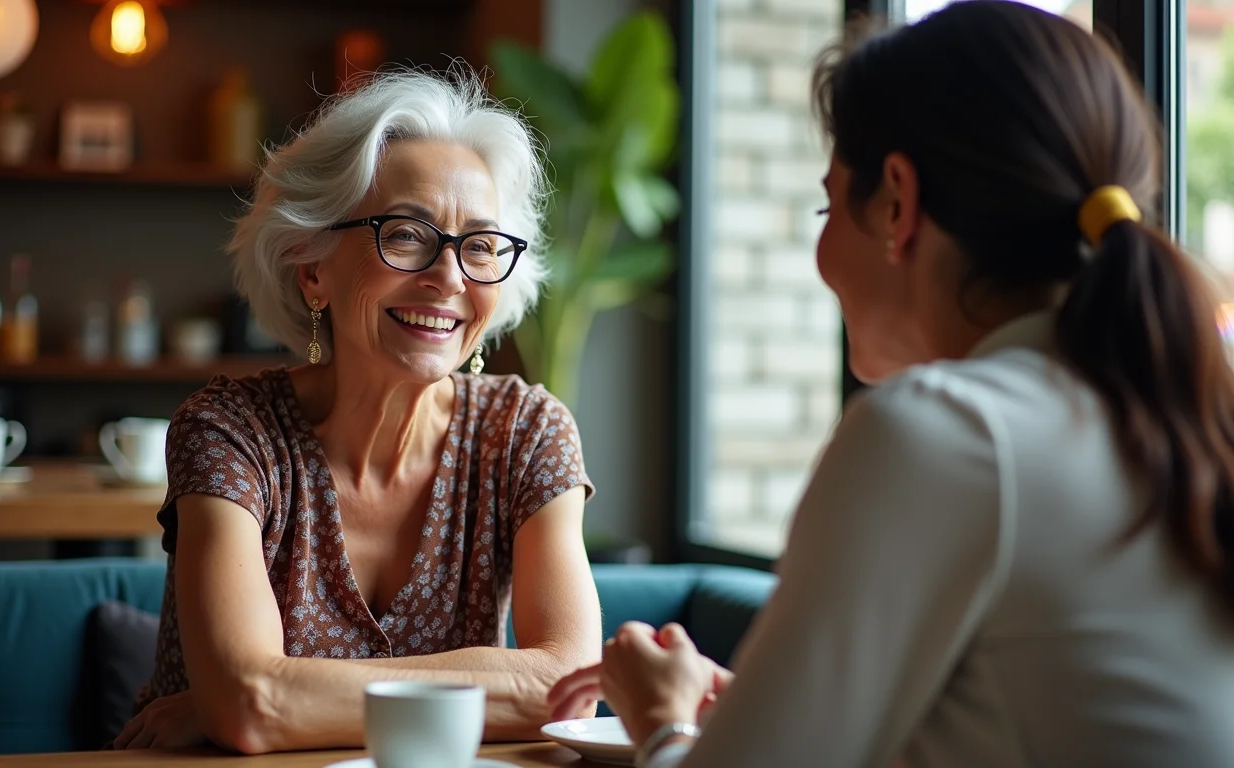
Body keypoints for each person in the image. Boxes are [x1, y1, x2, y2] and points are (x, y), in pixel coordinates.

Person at [549, 2, 1234, 766]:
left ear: (897, 204)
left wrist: (663, 720)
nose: (819, 249)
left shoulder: (946, 431)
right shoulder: (1173, 412)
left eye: (827, 202)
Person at [113, 69, 602, 753]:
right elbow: (252, 705)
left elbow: (571, 685)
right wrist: (250, 698)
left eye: (482, 246)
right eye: (406, 234)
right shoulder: (230, 431)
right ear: (312, 268)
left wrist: (271, 696)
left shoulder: (525, 433)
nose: (451, 278)